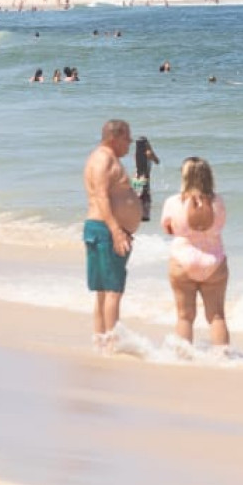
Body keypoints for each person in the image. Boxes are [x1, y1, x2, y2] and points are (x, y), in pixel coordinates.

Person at [83, 118, 143, 351]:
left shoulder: (106, 158)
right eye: (127, 138)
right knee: (113, 290)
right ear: (114, 137)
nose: (129, 143)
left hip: (103, 229)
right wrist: (116, 231)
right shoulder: (104, 159)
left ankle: (101, 340)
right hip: (106, 230)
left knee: (103, 291)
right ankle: (111, 342)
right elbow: (101, 196)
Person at [160, 157, 229, 350]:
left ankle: (183, 357)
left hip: (182, 261)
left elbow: (168, 229)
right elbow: (220, 225)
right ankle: (222, 357)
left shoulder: (173, 202)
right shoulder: (218, 202)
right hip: (214, 262)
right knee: (216, 316)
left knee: (184, 316)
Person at [133, 135, 162, 210]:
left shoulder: (136, 154)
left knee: (136, 192)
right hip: (146, 175)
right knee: (145, 195)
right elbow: (157, 161)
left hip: (137, 176)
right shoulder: (149, 153)